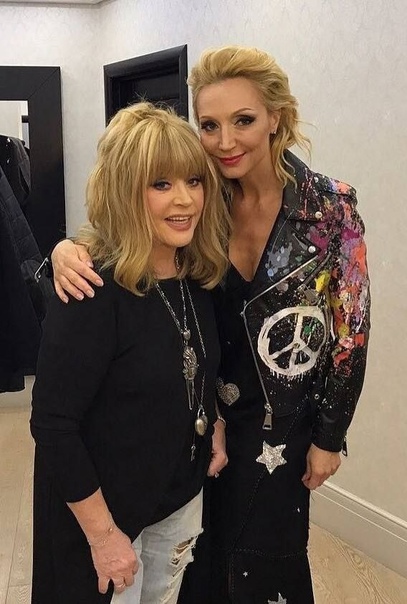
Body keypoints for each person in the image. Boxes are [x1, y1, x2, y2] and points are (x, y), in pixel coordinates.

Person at [49, 46, 370, 604]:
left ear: (275, 117)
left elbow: (352, 336)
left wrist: (329, 436)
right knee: (196, 564)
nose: (225, 142)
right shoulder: (202, 194)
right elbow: (126, 233)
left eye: (243, 120)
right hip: (199, 423)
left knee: (267, 562)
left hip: (279, 430)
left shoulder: (329, 209)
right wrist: (62, 251)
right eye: (210, 125)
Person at [30, 101, 230, 604]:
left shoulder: (196, 277)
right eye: (160, 184)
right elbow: (52, 423)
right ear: (124, 191)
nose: (184, 199)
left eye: (193, 180)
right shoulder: (91, 288)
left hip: (178, 501)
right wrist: (103, 537)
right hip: (108, 517)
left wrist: (213, 420)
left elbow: (193, 366)